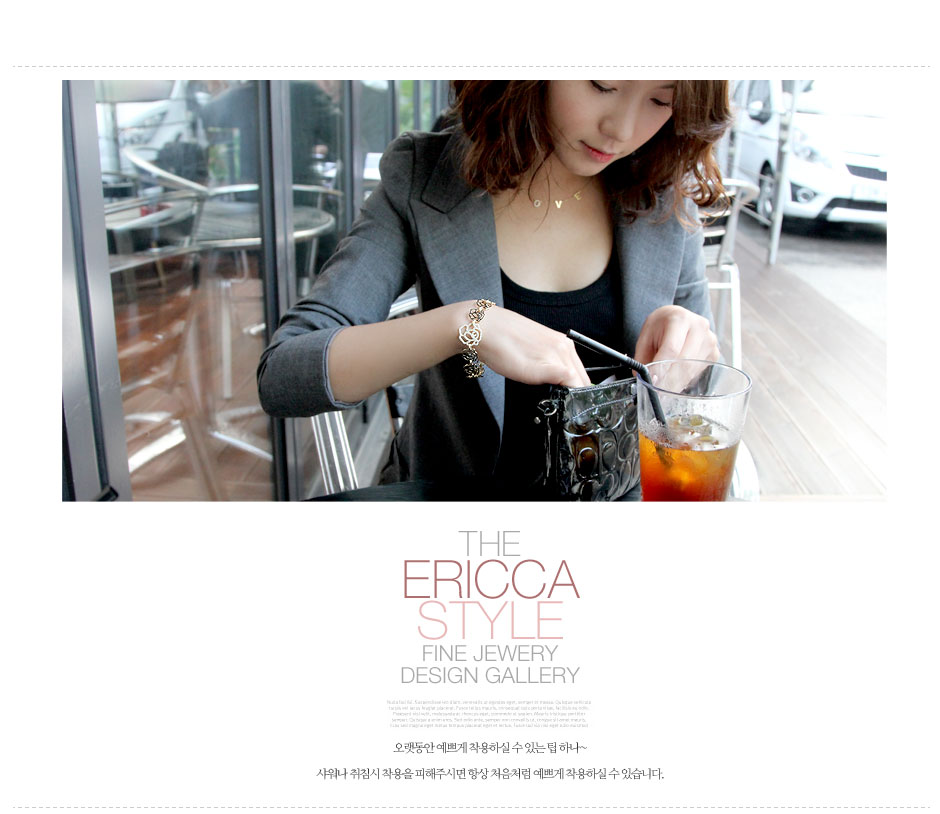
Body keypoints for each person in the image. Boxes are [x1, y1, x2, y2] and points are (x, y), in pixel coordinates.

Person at [257, 80, 732, 493]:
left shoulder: (664, 194)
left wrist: (691, 349)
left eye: (661, 101)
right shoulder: (427, 178)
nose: (621, 129)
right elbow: (284, 375)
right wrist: (466, 326)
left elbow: (698, 406)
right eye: (602, 85)